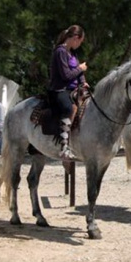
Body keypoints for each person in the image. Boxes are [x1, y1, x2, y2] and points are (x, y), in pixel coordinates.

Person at [48, 25, 88, 161]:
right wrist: (80, 68)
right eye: (80, 41)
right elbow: (66, 75)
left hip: (74, 89)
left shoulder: (72, 53)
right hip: (60, 89)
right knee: (69, 108)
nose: (79, 45)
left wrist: (83, 82)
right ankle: (63, 147)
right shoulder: (60, 52)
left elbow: (78, 72)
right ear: (76, 38)